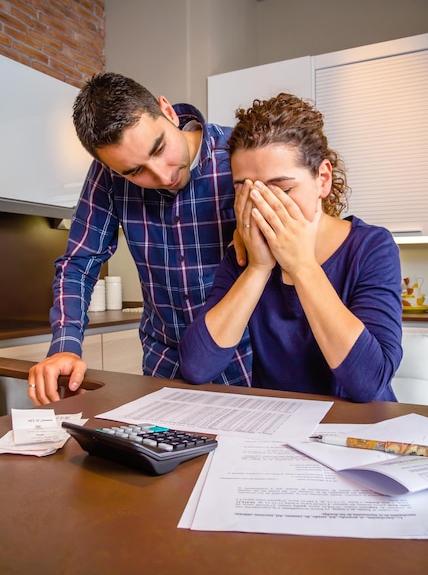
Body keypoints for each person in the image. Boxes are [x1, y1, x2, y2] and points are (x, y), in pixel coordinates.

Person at [27, 73, 252, 405]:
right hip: (165, 365)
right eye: (135, 172)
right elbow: (78, 264)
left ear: (167, 111)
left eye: (160, 148)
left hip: (250, 362)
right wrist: (65, 347)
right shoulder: (109, 176)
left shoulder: (240, 153)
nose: (163, 175)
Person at [179, 93, 403, 403]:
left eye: (282, 189)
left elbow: (368, 383)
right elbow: (197, 366)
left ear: (322, 179)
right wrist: (258, 268)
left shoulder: (371, 247)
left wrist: (302, 266)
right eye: (245, 190)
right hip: (278, 433)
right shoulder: (245, 254)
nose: (261, 206)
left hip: (359, 434)